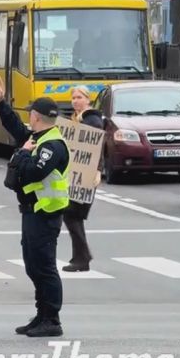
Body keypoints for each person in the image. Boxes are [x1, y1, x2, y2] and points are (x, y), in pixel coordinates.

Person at [0, 77, 70, 338]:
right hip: (32, 211)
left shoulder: (52, 146)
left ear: (36, 117)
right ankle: (41, 315)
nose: (28, 119)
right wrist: (1, 103)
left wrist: (23, 154)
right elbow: (15, 128)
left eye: (31, 115)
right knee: (32, 265)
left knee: (44, 266)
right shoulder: (38, 138)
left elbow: (32, 174)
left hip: (45, 213)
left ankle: (52, 320)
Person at [62, 85, 104, 272]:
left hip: (87, 174)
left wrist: (98, 170)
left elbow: (96, 147)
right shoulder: (77, 120)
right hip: (76, 174)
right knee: (72, 215)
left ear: (88, 99)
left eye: (79, 97)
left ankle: (82, 257)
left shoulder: (92, 120)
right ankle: (81, 257)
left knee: (72, 214)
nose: (75, 101)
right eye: (73, 98)